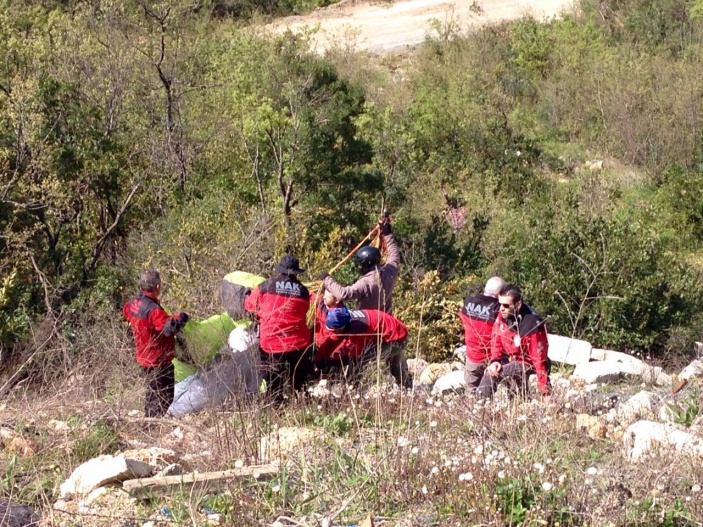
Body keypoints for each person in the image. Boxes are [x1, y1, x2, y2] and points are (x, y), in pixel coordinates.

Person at [123, 269, 189, 417]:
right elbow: (169, 329)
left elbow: (126, 312)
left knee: (152, 392)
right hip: (158, 360)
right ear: (157, 287)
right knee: (163, 397)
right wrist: (183, 317)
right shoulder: (153, 310)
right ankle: (152, 428)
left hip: (143, 357)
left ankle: (149, 422)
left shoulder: (134, 303)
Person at [244, 254, 312, 399]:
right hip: (298, 342)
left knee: (273, 382)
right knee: (299, 381)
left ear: (279, 270)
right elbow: (304, 311)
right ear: (296, 273)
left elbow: (249, 307)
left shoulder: (264, 286)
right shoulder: (304, 291)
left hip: (271, 343)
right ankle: (300, 401)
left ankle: (275, 403)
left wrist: (247, 295)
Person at [477, 285, 551, 399]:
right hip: (511, 357)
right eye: (500, 303)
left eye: (506, 305)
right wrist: (495, 360)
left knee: (491, 376)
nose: (501, 308)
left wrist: (544, 388)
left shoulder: (531, 323)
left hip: (527, 363)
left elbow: (539, 358)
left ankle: (479, 405)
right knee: (492, 369)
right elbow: (497, 338)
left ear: (518, 304)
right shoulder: (503, 315)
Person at [315, 306, 412, 388]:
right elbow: (333, 339)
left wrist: (330, 362)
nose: (333, 332)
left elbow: (353, 354)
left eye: (334, 330)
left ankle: (352, 388)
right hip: (391, 334)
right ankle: (408, 387)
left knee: (361, 359)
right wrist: (319, 358)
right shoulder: (343, 319)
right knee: (396, 367)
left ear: (341, 327)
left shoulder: (357, 328)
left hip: (397, 338)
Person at [320, 215, 400, 313]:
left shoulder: (366, 283)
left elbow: (343, 294)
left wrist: (327, 278)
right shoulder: (389, 273)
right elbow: (394, 254)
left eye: (361, 265)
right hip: (385, 322)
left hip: (367, 324)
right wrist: (387, 233)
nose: (359, 267)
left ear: (367, 264)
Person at [459, 276, 506, 391]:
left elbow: (462, 318)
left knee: (472, 395)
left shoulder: (468, 302)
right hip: (493, 360)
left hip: (472, 358)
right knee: (496, 392)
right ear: (500, 293)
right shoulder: (498, 309)